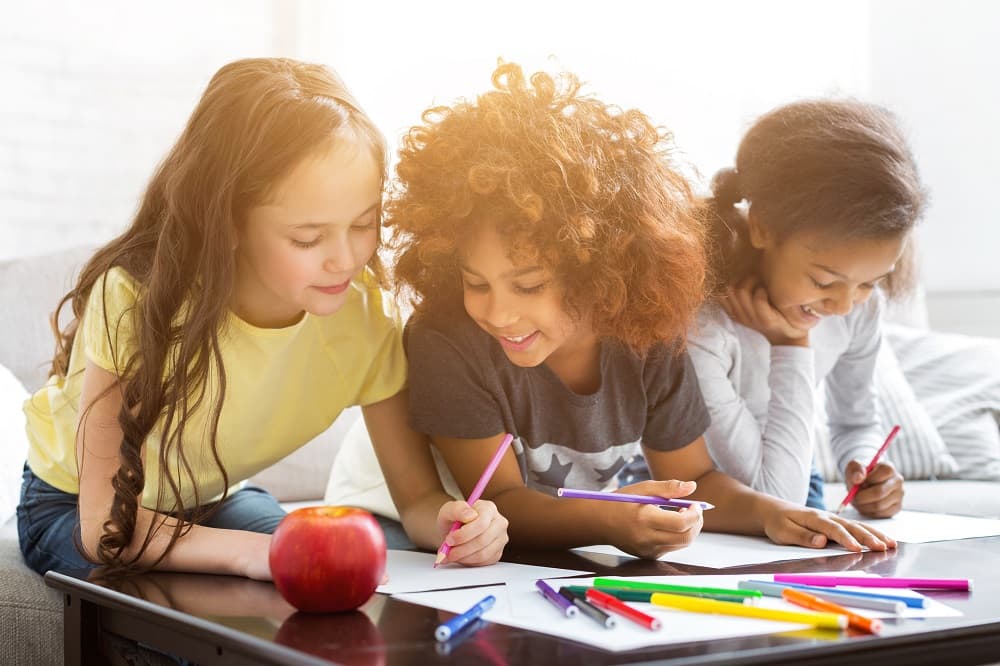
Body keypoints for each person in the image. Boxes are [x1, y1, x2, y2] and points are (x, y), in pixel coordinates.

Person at [369, 62, 894, 558]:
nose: (499, 312)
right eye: (475, 281)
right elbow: (500, 500)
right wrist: (613, 522)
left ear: (598, 269)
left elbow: (699, 480)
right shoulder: (449, 338)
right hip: (411, 530)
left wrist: (775, 514)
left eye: (528, 285)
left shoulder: (647, 334)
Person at [17, 57, 508, 580]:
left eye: (364, 223)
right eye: (307, 237)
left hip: (212, 500)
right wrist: (252, 555)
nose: (345, 259)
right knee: (213, 612)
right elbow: (104, 528)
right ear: (226, 221)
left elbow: (415, 500)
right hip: (73, 508)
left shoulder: (365, 314)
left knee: (322, 586)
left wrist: (458, 526)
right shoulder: (136, 300)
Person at [688, 99, 924, 517]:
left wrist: (867, 464)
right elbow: (775, 495)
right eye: (824, 281)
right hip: (697, 487)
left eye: (870, 282)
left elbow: (855, 422)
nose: (844, 304)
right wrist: (792, 343)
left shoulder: (860, 312)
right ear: (762, 227)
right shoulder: (704, 323)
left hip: (795, 472)